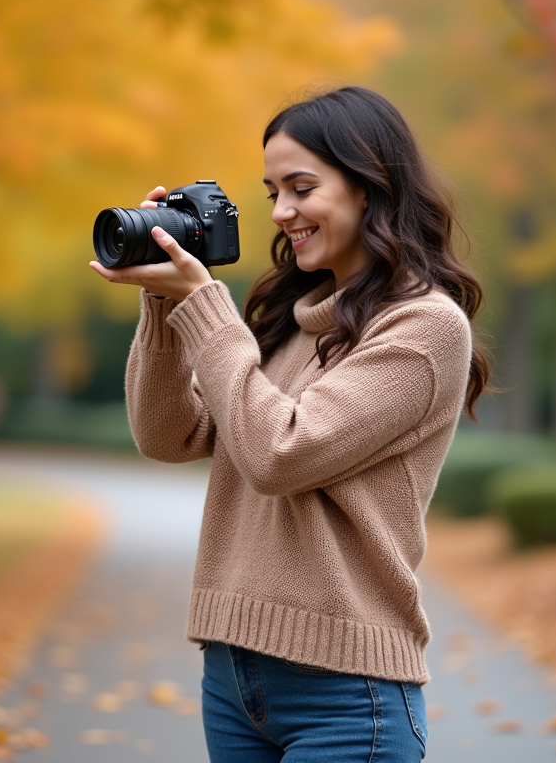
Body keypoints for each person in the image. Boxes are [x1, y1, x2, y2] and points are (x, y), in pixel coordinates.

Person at [89, 85, 490, 763]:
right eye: (272, 191)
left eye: (301, 188)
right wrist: (164, 305)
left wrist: (205, 306)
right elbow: (167, 436)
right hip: (234, 676)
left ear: (370, 186)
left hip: (344, 692)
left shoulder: (423, 328)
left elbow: (278, 453)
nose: (281, 213)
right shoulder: (293, 319)